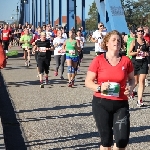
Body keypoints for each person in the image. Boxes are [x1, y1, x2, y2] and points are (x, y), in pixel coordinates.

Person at [85, 30, 135, 150]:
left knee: (122, 141)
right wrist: (99, 87)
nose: (116, 42)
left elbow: (132, 79)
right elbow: (88, 82)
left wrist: (131, 88)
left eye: (119, 40)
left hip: (121, 103)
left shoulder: (126, 61)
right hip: (101, 103)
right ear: (106, 43)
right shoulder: (98, 60)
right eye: (113, 39)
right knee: (106, 141)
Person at [129, 26, 149, 106]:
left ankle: (139, 100)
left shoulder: (146, 42)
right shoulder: (134, 42)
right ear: (136, 33)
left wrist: (147, 53)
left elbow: (148, 52)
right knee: (136, 81)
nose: (140, 33)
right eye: (139, 31)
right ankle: (131, 91)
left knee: (142, 80)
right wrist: (136, 52)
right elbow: (129, 53)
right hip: (135, 62)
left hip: (143, 62)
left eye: (142, 31)